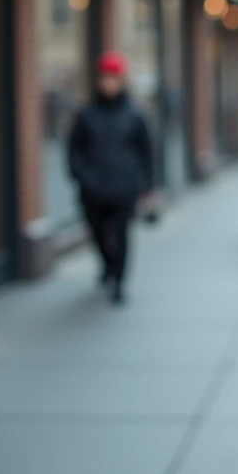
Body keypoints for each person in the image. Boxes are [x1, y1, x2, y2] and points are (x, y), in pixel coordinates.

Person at [68, 51, 154, 305]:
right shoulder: (86, 114)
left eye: (114, 78)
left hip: (124, 188)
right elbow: (74, 151)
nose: (109, 83)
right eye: (105, 78)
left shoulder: (135, 115)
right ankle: (107, 265)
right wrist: (82, 176)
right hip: (93, 190)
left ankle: (118, 281)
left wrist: (146, 184)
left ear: (121, 80)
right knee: (96, 234)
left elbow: (146, 152)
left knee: (121, 235)